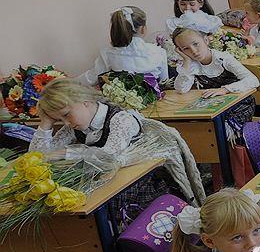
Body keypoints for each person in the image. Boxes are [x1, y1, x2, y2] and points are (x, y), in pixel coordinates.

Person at [31, 78, 206, 218]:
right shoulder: (74, 127)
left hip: (141, 190)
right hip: (109, 186)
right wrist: (46, 123)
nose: (66, 123)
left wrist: (68, 153)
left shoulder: (121, 119)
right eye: (59, 119)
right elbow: (38, 156)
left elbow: (108, 158)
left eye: (66, 115)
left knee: (91, 213)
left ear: (84, 101)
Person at [172, 27, 259, 139]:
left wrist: (225, 89)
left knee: (218, 132)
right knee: (194, 129)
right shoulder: (192, 65)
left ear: (206, 40)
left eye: (196, 44)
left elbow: (253, 80)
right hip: (212, 108)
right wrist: (187, 61)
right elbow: (181, 89)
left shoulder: (223, 59)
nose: (193, 51)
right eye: (185, 49)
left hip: (238, 105)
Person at [80, 6, 169, 86]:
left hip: (119, 99)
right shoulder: (159, 52)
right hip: (155, 99)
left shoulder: (108, 54)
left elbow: (90, 78)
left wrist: (72, 81)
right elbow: (165, 83)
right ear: (143, 29)